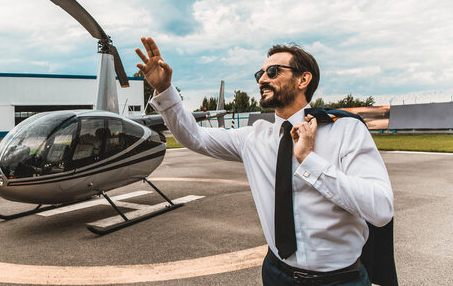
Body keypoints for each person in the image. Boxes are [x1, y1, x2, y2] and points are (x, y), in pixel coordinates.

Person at [135, 37, 394, 286]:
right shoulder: (254, 137)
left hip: (339, 279)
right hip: (275, 274)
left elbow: (380, 209)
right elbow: (194, 137)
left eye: (272, 71)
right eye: (260, 74)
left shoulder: (345, 130)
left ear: (303, 79)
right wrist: (165, 90)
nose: (263, 79)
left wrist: (309, 161)